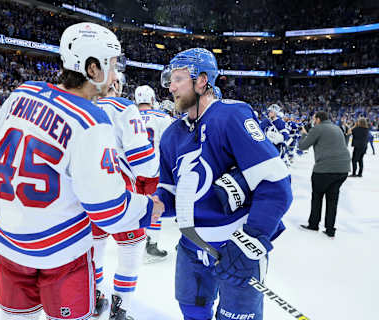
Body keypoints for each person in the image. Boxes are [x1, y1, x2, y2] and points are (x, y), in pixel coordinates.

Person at [0, 22, 164, 320]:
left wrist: (16, 210)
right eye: (112, 66)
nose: (115, 76)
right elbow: (109, 210)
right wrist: (147, 208)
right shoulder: (91, 121)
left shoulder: (21, 92)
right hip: (60, 252)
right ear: (92, 68)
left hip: (5, 241)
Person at [154, 48, 292, 320]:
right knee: (192, 313)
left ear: (202, 80)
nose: (170, 87)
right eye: (169, 80)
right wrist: (149, 206)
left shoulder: (231, 116)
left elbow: (276, 186)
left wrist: (250, 242)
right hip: (191, 248)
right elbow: (169, 195)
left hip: (237, 247)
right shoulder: (172, 135)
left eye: (178, 79)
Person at [93, 75, 159, 319]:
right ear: (117, 85)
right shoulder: (123, 107)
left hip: (86, 200)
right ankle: (120, 309)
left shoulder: (77, 107)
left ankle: (95, 296)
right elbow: (145, 164)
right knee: (130, 255)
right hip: (121, 197)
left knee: (94, 254)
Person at [134, 84, 173, 263]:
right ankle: (151, 244)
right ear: (152, 99)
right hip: (154, 169)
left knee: (136, 206)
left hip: (132, 170)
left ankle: (134, 241)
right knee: (155, 205)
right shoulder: (162, 117)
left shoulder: (128, 115)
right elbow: (168, 146)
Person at [298, 111, 350, 238]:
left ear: (318, 119)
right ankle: (330, 228)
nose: (313, 121)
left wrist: (304, 134)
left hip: (325, 169)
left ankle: (314, 224)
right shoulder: (337, 128)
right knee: (333, 199)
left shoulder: (318, 128)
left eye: (314, 118)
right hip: (343, 168)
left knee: (317, 196)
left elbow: (302, 146)